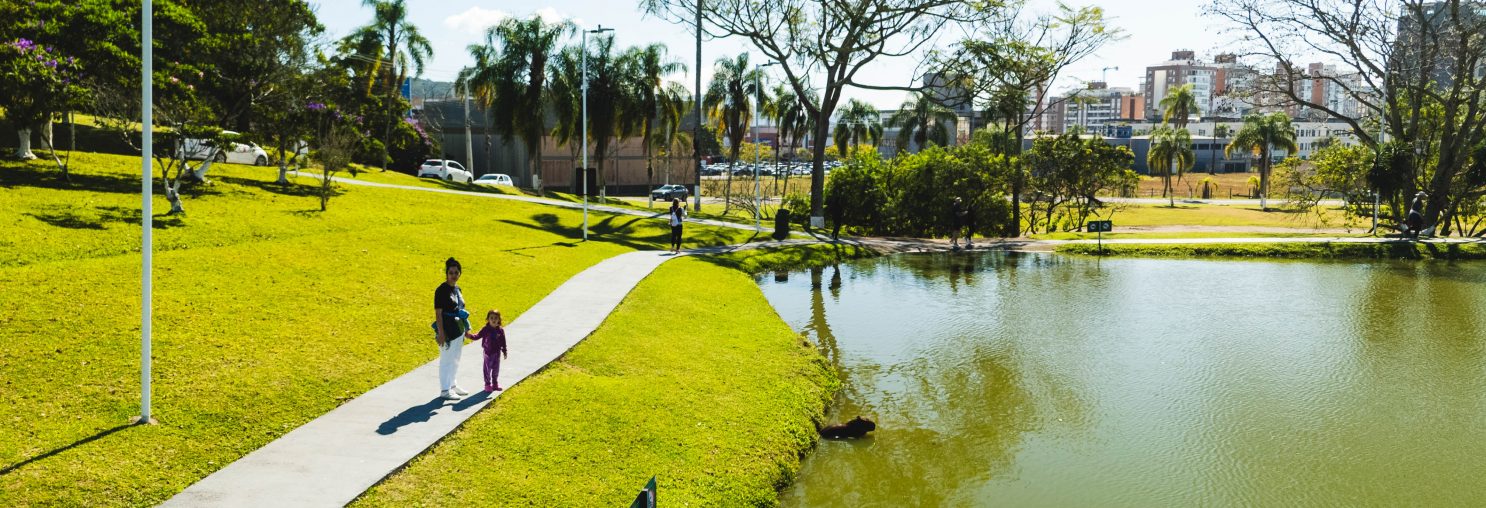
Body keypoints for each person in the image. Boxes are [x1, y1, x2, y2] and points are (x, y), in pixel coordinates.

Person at [433, 257, 472, 400]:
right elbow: (438, 313)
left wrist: (466, 328)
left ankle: (452, 385)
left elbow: (461, 308)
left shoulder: (457, 289)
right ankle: (445, 389)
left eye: (456, 272)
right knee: (446, 359)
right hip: (447, 329)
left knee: (456, 358)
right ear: (447, 273)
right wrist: (441, 333)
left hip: (458, 328)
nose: (454, 275)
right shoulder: (441, 290)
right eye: (451, 272)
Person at [467, 309, 508, 392]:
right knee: (487, 369)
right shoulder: (485, 329)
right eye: (491, 318)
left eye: (496, 318)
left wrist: (504, 350)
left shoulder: (500, 330)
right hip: (488, 353)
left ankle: (495, 384)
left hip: (497, 353)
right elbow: (477, 336)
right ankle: (487, 385)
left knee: (496, 369)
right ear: (488, 319)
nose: (493, 320)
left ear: (499, 320)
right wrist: (469, 336)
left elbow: (503, 341)